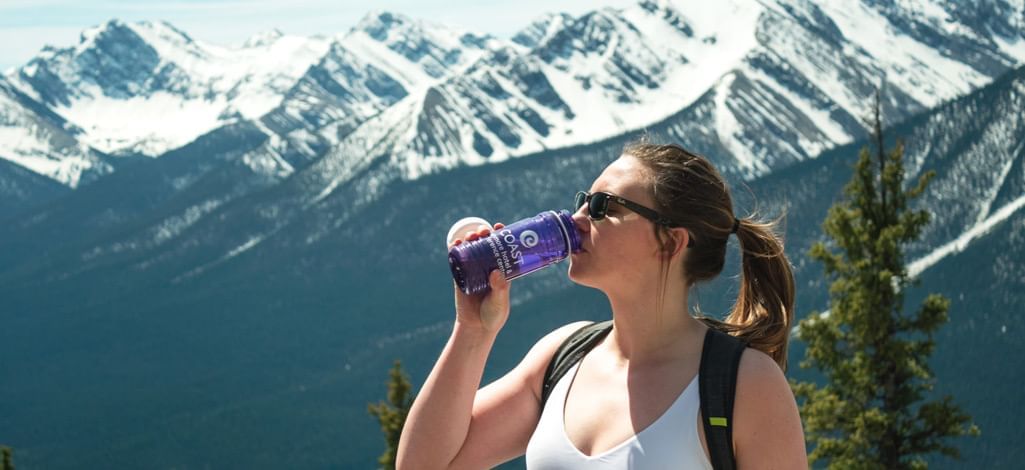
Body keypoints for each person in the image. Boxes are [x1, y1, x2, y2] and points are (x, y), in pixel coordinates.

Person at [397, 142, 807, 469]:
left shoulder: (745, 384)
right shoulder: (562, 357)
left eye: (602, 207)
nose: (575, 217)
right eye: (582, 200)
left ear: (672, 242)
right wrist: (473, 331)